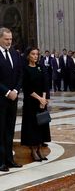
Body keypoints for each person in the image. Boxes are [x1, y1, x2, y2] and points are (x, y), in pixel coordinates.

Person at [21, 47, 50, 162]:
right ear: (28, 55)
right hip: (31, 102)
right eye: (33, 54)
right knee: (32, 126)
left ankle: (39, 149)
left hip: (41, 102)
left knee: (41, 125)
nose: (35, 56)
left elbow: (45, 84)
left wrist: (43, 99)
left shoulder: (40, 67)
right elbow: (27, 88)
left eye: (37, 54)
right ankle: (33, 150)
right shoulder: (25, 69)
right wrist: (39, 99)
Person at [0, 27, 23, 172]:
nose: (9, 42)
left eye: (11, 39)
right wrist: (7, 91)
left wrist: (15, 90)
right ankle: (0, 161)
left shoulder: (14, 53)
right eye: (6, 39)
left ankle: (9, 159)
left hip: (13, 98)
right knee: (0, 130)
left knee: (10, 130)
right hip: (1, 99)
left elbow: (20, 73)